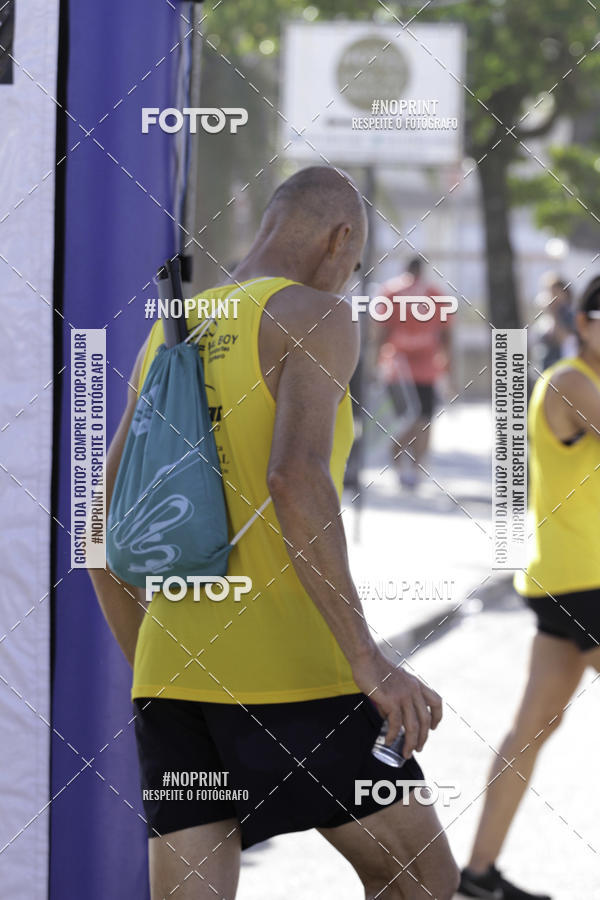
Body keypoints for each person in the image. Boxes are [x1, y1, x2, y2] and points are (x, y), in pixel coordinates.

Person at [90, 167, 459, 900]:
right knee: (421, 877)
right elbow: (294, 478)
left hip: (172, 679)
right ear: (339, 240)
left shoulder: (174, 328)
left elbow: (98, 528)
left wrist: (155, 672)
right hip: (293, 671)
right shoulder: (316, 316)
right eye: (355, 264)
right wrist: (368, 658)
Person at [459, 277, 600, 899]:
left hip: (563, 580)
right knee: (533, 728)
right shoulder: (571, 381)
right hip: (586, 580)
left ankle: (477, 875)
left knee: (533, 727)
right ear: (582, 323)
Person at [376, 256, 453, 488]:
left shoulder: (390, 291)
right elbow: (446, 334)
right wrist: (448, 368)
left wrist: (375, 363)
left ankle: (400, 462)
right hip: (425, 368)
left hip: (397, 368)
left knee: (404, 420)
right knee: (423, 420)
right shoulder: (434, 293)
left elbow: (381, 331)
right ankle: (415, 468)